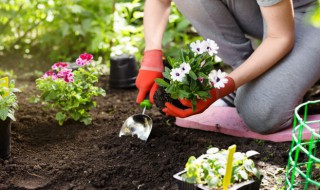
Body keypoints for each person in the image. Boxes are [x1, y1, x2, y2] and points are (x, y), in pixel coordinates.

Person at [135, 0, 320, 134]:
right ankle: (247, 81)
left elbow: (280, 37)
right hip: (267, 11)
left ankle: (261, 84)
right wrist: (151, 55)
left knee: (260, 115)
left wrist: (220, 89)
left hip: (311, 14)